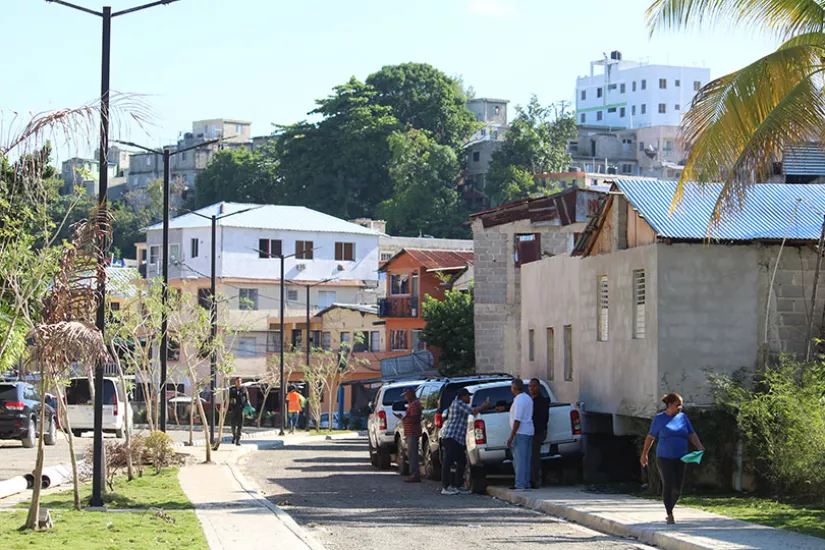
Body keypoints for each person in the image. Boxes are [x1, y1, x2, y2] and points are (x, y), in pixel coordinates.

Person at [641, 392, 705, 525]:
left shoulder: (683, 417)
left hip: (681, 457)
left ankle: (671, 508)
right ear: (669, 405)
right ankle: (669, 513)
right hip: (664, 457)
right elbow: (650, 437)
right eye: (677, 405)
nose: (680, 408)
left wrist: (699, 447)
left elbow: (691, 434)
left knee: (677, 488)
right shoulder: (659, 419)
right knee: (668, 483)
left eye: (681, 405)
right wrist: (644, 454)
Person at [439, 389, 491, 495]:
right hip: (451, 436)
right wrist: (484, 406)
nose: (469, 398)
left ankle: (458, 485)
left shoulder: (458, 404)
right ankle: (446, 486)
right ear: (462, 396)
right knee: (448, 462)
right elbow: (473, 411)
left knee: (461, 461)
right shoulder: (458, 404)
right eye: (468, 396)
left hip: (457, 438)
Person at [507, 379, 534, 491]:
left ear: (514, 388)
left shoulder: (519, 401)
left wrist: (511, 436)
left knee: (519, 460)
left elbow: (517, 420)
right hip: (528, 430)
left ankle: (520, 483)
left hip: (520, 432)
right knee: (526, 459)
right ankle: (526, 482)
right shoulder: (527, 398)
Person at [394, 386, 422, 483]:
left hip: (413, 432)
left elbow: (414, 419)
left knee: (413, 455)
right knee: (411, 454)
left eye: (406, 394)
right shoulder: (412, 404)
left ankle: (415, 475)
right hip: (410, 432)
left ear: (410, 393)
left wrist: (403, 418)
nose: (405, 397)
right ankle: (413, 474)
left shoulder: (415, 404)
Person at [529, 378, 550, 489]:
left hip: (538, 432)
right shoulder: (528, 400)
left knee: (535, 458)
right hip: (529, 432)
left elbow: (542, 418)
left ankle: (536, 480)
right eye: (530, 386)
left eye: (534, 386)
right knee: (531, 457)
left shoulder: (542, 401)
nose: (532, 388)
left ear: (538, 387)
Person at [228, 377, 249, 446]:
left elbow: (247, 399)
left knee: (240, 425)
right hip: (233, 409)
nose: (238, 382)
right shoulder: (232, 389)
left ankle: (238, 440)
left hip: (241, 409)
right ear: (235, 382)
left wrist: (248, 407)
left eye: (240, 381)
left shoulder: (244, 389)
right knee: (233, 424)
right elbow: (229, 398)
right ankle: (234, 435)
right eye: (237, 381)